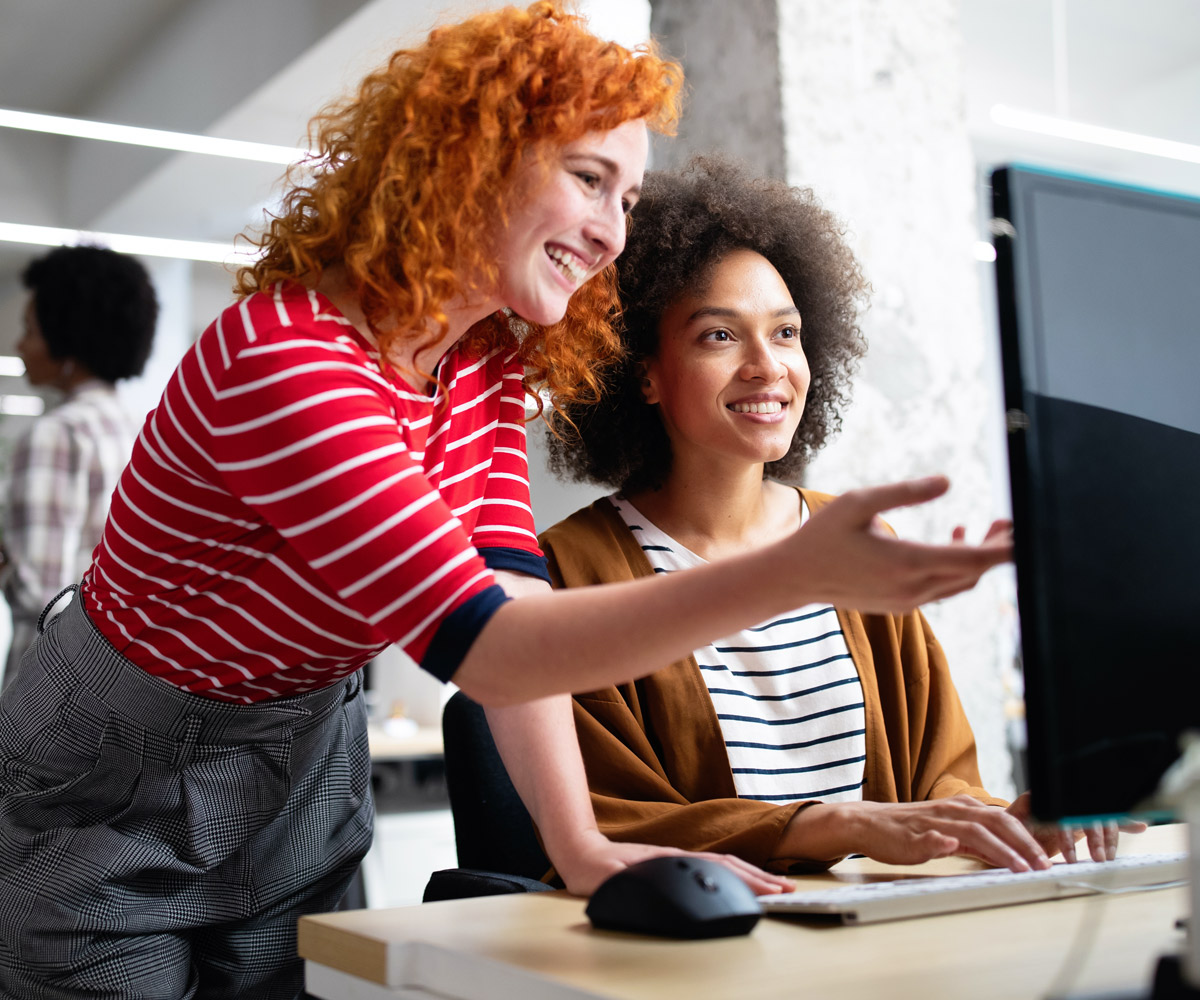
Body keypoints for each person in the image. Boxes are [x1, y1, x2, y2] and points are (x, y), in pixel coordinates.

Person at [0, 6, 1012, 998]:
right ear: (468, 158)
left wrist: (579, 846)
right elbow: (487, 646)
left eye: (627, 196)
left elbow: (509, 597)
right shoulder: (288, 360)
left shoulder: (479, 360)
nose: (613, 232)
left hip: (305, 750)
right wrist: (790, 573)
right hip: (116, 776)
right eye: (589, 179)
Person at [540, 156, 1137, 875]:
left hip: (878, 948)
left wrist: (1012, 820)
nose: (769, 366)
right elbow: (610, 821)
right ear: (644, 372)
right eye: (719, 336)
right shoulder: (569, 569)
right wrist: (837, 825)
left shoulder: (853, 541)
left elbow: (939, 781)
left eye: (786, 333)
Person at [0, 244, 157, 689]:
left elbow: (41, 592)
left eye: (29, 328)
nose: (19, 345)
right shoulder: (142, 428)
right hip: (117, 682)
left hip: (46, 686)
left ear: (65, 337)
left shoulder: (56, 434)